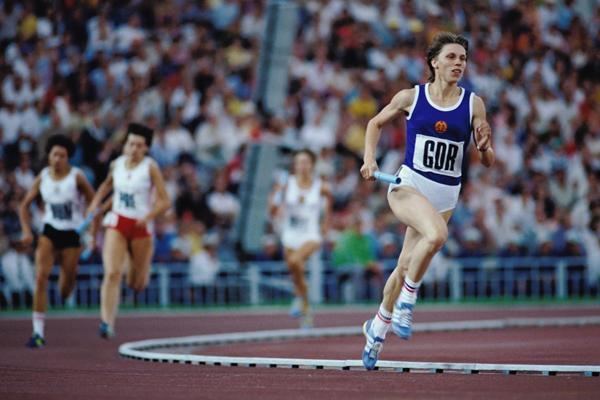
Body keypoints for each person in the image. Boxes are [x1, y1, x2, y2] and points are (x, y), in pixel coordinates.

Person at [359, 32, 495, 369]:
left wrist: (485, 145)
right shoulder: (411, 97)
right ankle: (407, 300)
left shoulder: (473, 104)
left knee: (405, 263)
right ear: (434, 62)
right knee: (436, 236)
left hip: (446, 195)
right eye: (451, 57)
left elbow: (488, 160)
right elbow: (375, 123)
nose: (458, 64)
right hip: (409, 185)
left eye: (463, 58)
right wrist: (369, 160)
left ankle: (376, 327)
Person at [87, 123, 171, 338]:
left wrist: (148, 217)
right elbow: (106, 186)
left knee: (137, 283)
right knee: (112, 273)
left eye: (139, 145)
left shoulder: (150, 167)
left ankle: (137, 270)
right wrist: (95, 202)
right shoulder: (117, 165)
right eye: (131, 144)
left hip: (140, 227)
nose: (134, 148)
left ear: (146, 149)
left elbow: (165, 201)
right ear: (125, 145)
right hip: (118, 222)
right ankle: (106, 322)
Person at [18, 134, 96, 348]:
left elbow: (94, 201)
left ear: (68, 157)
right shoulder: (43, 177)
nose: (58, 159)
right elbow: (24, 205)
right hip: (50, 231)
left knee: (65, 289)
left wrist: (91, 228)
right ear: (49, 156)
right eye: (55, 155)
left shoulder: (77, 177)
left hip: (72, 233)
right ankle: (37, 332)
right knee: (41, 277)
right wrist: (26, 231)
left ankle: (68, 278)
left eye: (62, 155)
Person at [269, 149, 332, 328]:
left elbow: (328, 207)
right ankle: (305, 306)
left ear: (312, 164)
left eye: (305, 162)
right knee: (295, 268)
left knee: (296, 261)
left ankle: (299, 298)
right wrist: (277, 196)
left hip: (311, 233)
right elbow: (272, 210)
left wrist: (325, 225)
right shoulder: (286, 184)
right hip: (290, 233)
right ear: (294, 166)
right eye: (298, 162)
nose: (302, 166)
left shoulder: (321, 186)